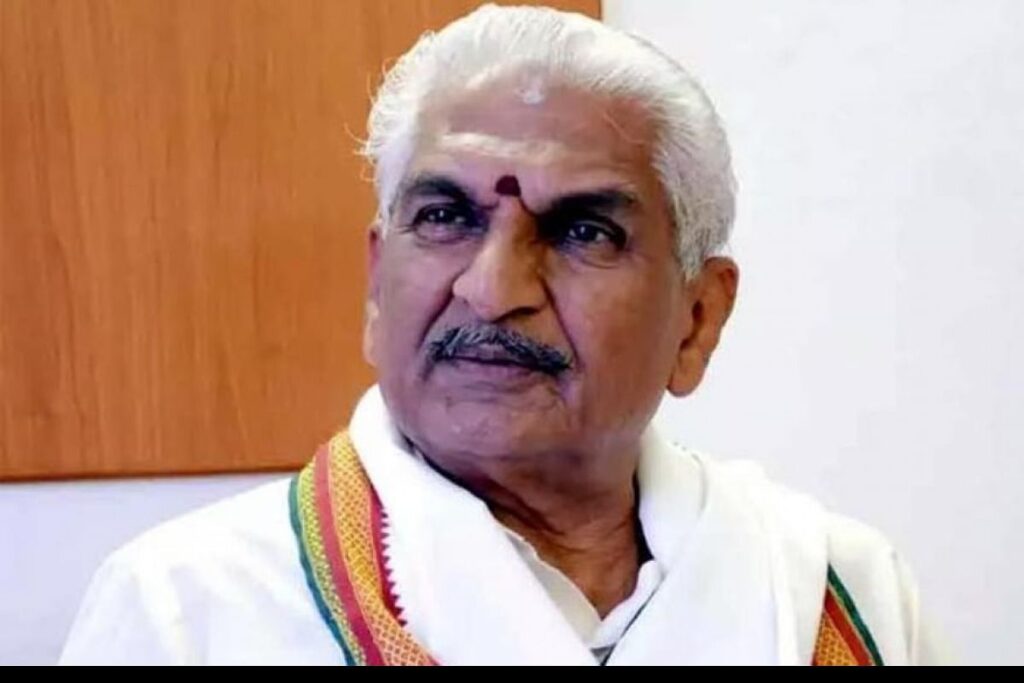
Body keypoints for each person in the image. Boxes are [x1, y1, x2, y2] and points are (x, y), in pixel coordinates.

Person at [60, 5, 945, 665]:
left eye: (583, 231)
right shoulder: (189, 612)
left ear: (698, 318)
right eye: (445, 216)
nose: (489, 290)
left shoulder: (845, 593)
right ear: (377, 286)